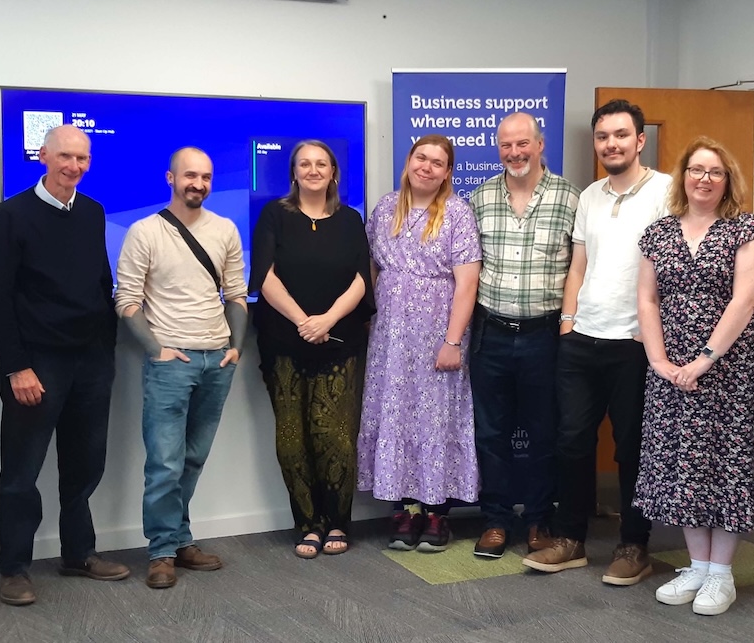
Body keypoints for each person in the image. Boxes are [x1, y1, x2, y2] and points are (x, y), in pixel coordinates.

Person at [0, 125, 129, 606]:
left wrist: (104, 350)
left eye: (83, 158)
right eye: (65, 156)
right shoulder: (13, 214)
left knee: (85, 465)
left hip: (90, 361)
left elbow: (101, 284)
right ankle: (14, 568)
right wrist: (16, 367)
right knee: (21, 471)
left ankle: (78, 553)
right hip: (37, 363)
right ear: (43, 155)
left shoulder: (92, 212)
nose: (74, 167)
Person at [523, 99, 669, 582]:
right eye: (603, 136)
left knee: (631, 447)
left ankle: (634, 546)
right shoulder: (590, 196)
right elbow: (578, 264)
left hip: (634, 343)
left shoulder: (668, 193)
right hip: (582, 337)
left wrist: (655, 334)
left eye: (621, 135)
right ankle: (571, 539)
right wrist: (568, 321)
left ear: (640, 140)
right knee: (572, 443)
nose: (611, 144)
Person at [627, 137, 754, 615]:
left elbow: (745, 299)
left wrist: (704, 359)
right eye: (695, 170)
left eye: (714, 171)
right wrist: (659, 360)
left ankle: (722, 575)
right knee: (684, 465)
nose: (703, 179)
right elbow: (647, 299)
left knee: (726, 462)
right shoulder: (659, 233)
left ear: (727, 179)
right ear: (682, 176)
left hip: (729, 367)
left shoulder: (745, 229)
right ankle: (697, 565)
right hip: (670, 369)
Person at [114, 147, 248, 588]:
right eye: (190, 175)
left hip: (218, 359)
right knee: (165, 463)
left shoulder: (225, 229)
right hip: (172, 362)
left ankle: (179, 538)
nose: (199, 184)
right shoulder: (144, 231)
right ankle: (161, 552)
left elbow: (236, 295)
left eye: (207, 177)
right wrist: (156, 349)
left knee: (192, 459)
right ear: (170, 177)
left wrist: (236, 347)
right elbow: (127, 300)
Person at [250, 140, 374, 558]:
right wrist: (304, 321)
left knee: (336, 436)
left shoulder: (351, 219)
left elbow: (362, 278)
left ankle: (338, 522)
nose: (313, 170)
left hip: (341, 341)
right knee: (292, 436)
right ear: (294, 172)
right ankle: (308, 523)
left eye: (321, 163)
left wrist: (327, 320)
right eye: (305, 163)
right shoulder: (274, 215)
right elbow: (263, 275)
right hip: (285, 343)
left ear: (334, 172)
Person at [358, 135, 481, 551]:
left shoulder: (458, 214)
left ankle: (436, 514)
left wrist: (452, 341)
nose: (427, 167)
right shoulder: (385, 207)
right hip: (390, 335)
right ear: (409, 161)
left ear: (448, 171)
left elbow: (467, 284)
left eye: (438, 162)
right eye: (421, 158)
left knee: (437, 419)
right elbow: (372, 269)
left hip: (437, 333)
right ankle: (404, 511)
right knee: (396, 415)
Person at [469, 112, 578, 558]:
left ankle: (538, 519)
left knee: (543, 431)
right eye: (506, 145)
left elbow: (581, 266)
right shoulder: (479, 197)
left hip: (545, 335)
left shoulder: (570, 197)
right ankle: (496, 520)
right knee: (490, 433)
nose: (514, 153)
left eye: (522, 144)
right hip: (490, 333)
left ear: (540, 144)